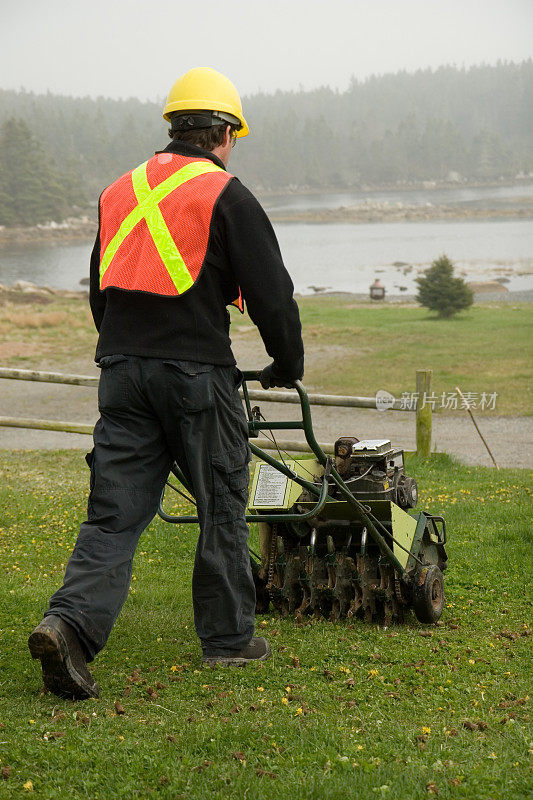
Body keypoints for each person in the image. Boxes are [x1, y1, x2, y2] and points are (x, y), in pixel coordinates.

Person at [28, 67, 304, 700]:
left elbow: (101, 286)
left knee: (114, 514)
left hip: (122, 372)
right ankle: (230, 640)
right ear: (225, 132)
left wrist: (125, 352)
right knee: (221, 503)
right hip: (197, 377)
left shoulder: (119, 191)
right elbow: (273, 297)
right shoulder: (226, 194)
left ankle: (67, 627)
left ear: (172, 127)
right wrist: (287, 365)